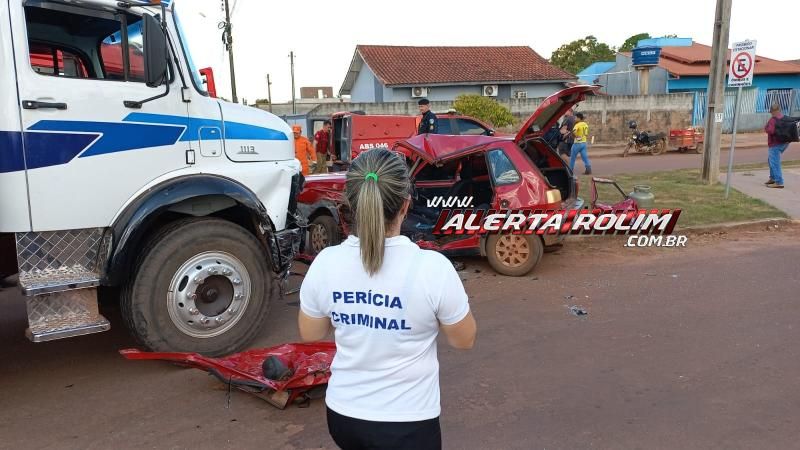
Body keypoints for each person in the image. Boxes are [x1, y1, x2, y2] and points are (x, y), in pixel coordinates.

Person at [298, 148, 477, 450]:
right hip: (407, 426)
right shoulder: (432, 269)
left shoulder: (326, 263)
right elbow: (464, 340)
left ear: (351, 203)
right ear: (405, 205)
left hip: (344, 416)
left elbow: (311, 334)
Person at [764, 103, 789, 189]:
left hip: (775, 143)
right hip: (784, 143)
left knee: (774, 162)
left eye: (771, 112)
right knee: (771, 160)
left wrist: (766, 127)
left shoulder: (773, 120)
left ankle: (779, 182)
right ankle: (773, 178)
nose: (771, 113)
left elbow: (770, 130)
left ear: (773, 111)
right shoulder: (783, 117)